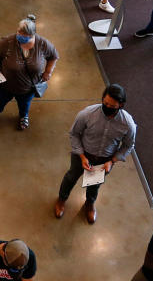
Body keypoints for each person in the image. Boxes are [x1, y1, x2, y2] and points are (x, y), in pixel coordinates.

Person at [54, 85, 137, 224]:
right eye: (105, 103)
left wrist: (112, 161)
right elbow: (74, 134)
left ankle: (89, 204)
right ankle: (61, 199)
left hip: (105, 160)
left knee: (94, 184)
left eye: (112, 106)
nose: (107, 108)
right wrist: (81, 156)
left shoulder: (128, 124)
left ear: (121, 105)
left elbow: (129, 145)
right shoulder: (87, 114)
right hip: (82, 153)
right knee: (71, 177)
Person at [0, 14, 58, 130]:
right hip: (5, 85)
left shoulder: (43, 44)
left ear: (32, 34)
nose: (20, 36)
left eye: (24, 35)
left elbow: (53, 56)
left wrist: (48, 72)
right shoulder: (7, 42)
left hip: (28, 88)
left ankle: (23, 116)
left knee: (24, 104)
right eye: (19, 33)